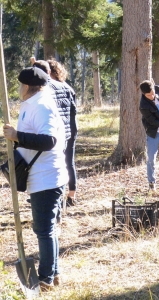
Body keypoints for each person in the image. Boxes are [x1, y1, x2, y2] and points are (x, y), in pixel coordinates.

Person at [3, 67, 68, 291]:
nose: (18, 89)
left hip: (47, 178)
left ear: (27, 87)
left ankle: (46, 278)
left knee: (44, 230)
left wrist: (17, 136)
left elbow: (49, 141)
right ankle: (54, 274)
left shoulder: (42, 106)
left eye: (20, 85)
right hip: (40, 176)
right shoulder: (32, 104)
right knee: (47, 229)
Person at [32, 58, 78, 206]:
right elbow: (73, 111)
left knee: (59, 164)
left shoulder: (46, 89)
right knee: (68, 163)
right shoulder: (66, 87)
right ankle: (70, 196)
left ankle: (59, 198)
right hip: (69, 130)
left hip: (58, 131)